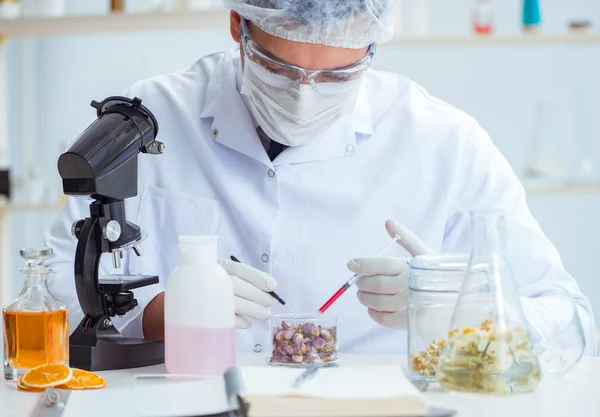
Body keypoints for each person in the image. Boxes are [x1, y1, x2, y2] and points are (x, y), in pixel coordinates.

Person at [45, 0, 597, 356]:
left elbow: (571, 321)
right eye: (280, 69)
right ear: (238, 24)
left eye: (338, 75)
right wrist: (158, 316)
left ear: (373, 45)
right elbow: (44, 301)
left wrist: (449, 310)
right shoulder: (144, 120)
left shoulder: (444, 143)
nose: (305, 94)